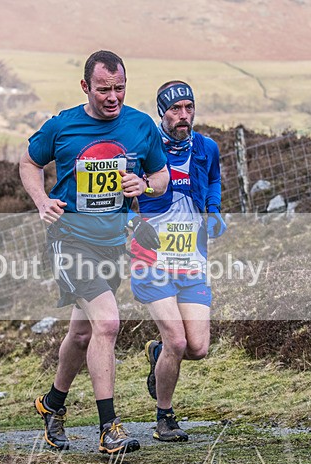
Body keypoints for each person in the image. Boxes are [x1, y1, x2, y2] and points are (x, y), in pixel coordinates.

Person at [20, 50, 170, 455]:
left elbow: (161, 173)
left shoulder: (140, 125)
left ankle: (52, 405)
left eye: (120, 88)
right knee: (106, 324)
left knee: (82, 331)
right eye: (104, 89)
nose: (113, 97)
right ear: (86, 86)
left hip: (112, 243)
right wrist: (41, 200)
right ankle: (109, 429)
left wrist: (147, 185)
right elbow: (29, 163)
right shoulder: (63, 125)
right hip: (69, 240)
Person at [130, 80, 226, 442]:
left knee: (198, 348)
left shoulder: (206, 148)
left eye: (188, 108)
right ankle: (164, 418)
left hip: (192, 258)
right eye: (175, 109)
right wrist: (131, 224)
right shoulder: (143, 149)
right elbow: (119, 192)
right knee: (178, 342)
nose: (183, 116)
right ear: (161, 112)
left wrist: (214, 211)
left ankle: (158, 355)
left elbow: (213, 180)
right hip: (151, 258)